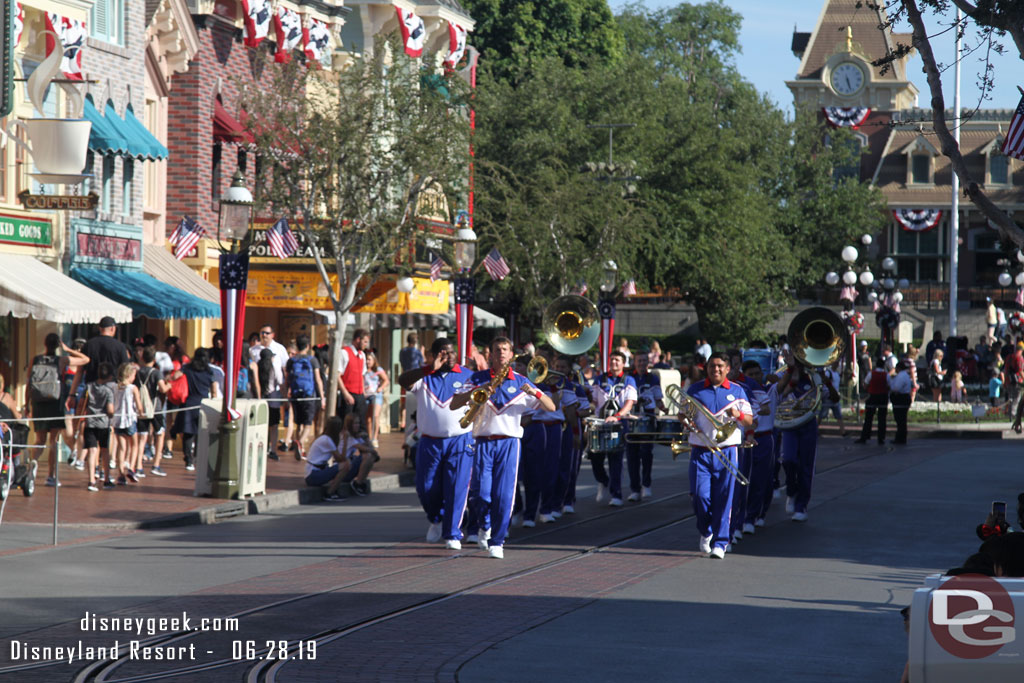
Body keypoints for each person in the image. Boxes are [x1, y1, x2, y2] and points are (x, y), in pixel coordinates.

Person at [453, 336, 555, 559]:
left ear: (511, 355)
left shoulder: (520, 381)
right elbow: (454, 403)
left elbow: (550, 406)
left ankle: (498, 540)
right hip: (483, 442)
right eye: (497, 349)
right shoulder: (477, 378)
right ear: (490, 354)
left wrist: (535, 392)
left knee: (504, 495)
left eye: (505, 349)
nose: (501, 353)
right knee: (480, 493)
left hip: (509, 443)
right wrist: (477, 391)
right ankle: (484, 524)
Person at [398, 337, 473, 549]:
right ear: (433, 355)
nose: (447, 356)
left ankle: (453, 533)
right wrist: (428, 369)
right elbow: (402, 381)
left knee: (456, 487)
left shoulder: (469, 376)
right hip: (430, 442)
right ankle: (437, 519)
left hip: (460, 439)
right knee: (425, 487)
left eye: (451, 352)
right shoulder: (424, 376)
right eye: (442, 352)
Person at [686, 353, 753, 558]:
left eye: (720, 366)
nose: (715, 370)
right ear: (707, 368)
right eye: (712, 366)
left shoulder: (737, 390)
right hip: (701, 450)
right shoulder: (695, 389)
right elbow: (684, 413)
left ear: (727, 369)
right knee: (700, 496)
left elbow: (750, 421)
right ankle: (706, 531)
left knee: (725, 498)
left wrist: (738, 415)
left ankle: (721, 543)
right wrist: (687, 421)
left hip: (727, 450)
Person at [521, 352, 578, 525]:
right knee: (532, 472)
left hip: (554, 429)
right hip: (536, 426)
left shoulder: (562, 384)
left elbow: (555, 407)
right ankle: (529, 514)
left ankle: (546, 509)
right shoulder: (530, 383)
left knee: (551, 470)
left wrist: (553, 388)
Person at [777, 363, 836, 523]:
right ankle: (791, 490)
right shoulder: (786, 377)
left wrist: (826, 381)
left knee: (806, 466)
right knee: (788, 460)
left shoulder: (815, 381)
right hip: (790, 424)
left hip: (808, 425)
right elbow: (778, 395)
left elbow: (835, 398)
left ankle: (801, 505)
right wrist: (791, 377)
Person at [27, 333, 88, 486]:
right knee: (53, 441)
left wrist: (27, 404)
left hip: (39, 403)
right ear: (58, 345)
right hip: (55, 402)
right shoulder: (61, 360)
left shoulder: (35, 360)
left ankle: (32, 465)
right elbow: (86, 359)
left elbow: (29, 384)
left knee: (39, 440)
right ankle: (50, 475)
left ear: (45, 344)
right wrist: (68, 349)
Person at [588, 350, 638, 507]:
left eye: (617, 360)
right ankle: (604, 481)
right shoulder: (600, 378)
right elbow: (593, 402)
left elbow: (630, 402)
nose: (614, 362)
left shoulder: (629, 379)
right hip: (599, 424)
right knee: (595, 458)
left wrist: (617, 416)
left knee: (615, 460)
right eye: (612, 360)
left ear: (623, 363)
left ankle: (616, 494)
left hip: (618, 425)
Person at [67, 316, 131, 413]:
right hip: (113, 389)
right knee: (111, 420)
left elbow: (79, 371)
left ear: (100, 329)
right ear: (113, 328)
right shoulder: (120, 347)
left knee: (89, 419)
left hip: (92, 389)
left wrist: (71, 394)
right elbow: (126, 372)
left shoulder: (88, 345)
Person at [169, 349, 219, 471]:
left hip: (189, 402)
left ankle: (188, 459)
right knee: (200, 432)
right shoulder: (209, 371)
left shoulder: (187, 368)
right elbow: (214, 390)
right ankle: (197, 456)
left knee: (188, 433)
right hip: (203, 403)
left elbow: (175, 376)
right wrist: (214, 400)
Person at [626, 352, 664, 501]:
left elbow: (658, 399)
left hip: (648, 419)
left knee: (646, 453)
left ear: (648, 362)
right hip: (632, 419)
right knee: (631, 455)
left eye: (644, 361)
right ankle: (634, 489)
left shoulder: (653, 378)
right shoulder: (629, 378)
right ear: (634, 362)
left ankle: (646, 484)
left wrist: (664, 408)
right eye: (639, 361)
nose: (641, 364)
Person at [285, 335, 325, 458]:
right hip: (309, 395)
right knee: (308, 424)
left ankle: (299, 450)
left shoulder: (291, 361)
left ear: (297, 345)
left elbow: (287, 378)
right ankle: (300, 443)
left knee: (299, 423)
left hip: (296, 395)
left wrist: (287, 393)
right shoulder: (313, 360)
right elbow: (318, 379)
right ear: (307, 346)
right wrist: (322, 396)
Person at [80, 363, 115, 491]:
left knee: (92, 451)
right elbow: (110, 410)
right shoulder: (108, 391)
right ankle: (106, 479)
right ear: (109, 377)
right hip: (103, 424)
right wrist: (112, 414)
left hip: (90, 423)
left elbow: (81, 404)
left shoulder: (88, 387)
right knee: (105, 451)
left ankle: (91, 481)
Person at [136, 347, 170, 476]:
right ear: (154, 360)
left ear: (142, 358)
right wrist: (169, 386)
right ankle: (156, 464)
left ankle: (138, 466)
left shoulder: (138, 372)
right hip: (156, 408)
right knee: (159, 434)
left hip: (141, 408)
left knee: (142, 437)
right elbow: (162, 389)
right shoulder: (156, 373)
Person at [304, 415, 352, 501]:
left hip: (314, 472)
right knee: (346, 465)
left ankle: (333, 489)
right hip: (313, 475)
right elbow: (341, 459)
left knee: (343, 464)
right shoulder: (327, 440)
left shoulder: (325, 438)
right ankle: (329, 493)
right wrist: (345, 440)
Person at [111, 363, 144, 484]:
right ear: (129, 375)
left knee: (121, 447)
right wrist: (142, 413)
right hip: (129, 419)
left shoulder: (115, 387)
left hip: (118, 420)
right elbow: (139, 406)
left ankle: (121, 474)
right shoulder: (132, 388)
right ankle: (131, 468)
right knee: (134, 444)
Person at [253, 348, 284, 460]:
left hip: (260, 399)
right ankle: (273, 450)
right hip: (273, 399)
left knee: (261, 425)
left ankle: (262, 447)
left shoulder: (257, 367)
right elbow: (280, 381)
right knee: (274, 426)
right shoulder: (274, 367)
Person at [338, 328, 370, 428]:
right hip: (348, 393)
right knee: (347, 424)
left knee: (361, 424)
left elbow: (362, 375)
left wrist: (363, 393)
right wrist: (345, 394)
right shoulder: (344, 353)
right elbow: (337, 375)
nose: (366, 345)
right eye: (364, 342)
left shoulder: (362, 355)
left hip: (359, 394)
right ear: (357, 340)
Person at [857, 356, 892, 445]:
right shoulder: (886, 375)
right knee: (882, 419)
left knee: (868, 418)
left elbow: (865, 384)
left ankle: (865, 436)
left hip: (873, 396)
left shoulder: (871, 374)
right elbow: (889, 385)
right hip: (883, 397)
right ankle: (881, 438)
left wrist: (870, 389)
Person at [399, 332, 424, 429]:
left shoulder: (402, 351)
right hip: (415, 378)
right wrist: (422, 353)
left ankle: (403, 422)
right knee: (416, 400)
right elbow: (422, 363)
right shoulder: (417, 352)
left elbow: (401, 362)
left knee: (404, 401)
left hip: (405, 376)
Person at [363, 352, 389, 447]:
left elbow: (386, 380)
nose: (368, 361)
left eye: (369, 359)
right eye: (366, 359)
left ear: (374, 360)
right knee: (368, 418)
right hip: (367, 395)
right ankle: (369, 438)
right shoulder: (364, 370)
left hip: (376, 395)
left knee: (375, 416)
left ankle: (375, 437)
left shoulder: (378, 369)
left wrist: (380, 388)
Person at [816, 361, 847, 436]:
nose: (837, 364)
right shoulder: (828, 373)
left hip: (835, 396)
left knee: (838, 415)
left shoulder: (836, 374)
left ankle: (843, 432)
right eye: (835, 363)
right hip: (828, 396)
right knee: (822, 415)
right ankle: (815, 430)